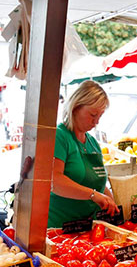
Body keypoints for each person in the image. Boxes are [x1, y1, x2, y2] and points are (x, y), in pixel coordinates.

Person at [48, 81, 119, 228]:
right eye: (93, 115)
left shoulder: (92, 142)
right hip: (59, 228)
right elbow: (55, 181)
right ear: (75, 107)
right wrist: (93, 195)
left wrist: (110, 202)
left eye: (100, 115)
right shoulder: (59, 136)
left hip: (87, 228)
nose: (96, 122)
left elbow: (97, 183)